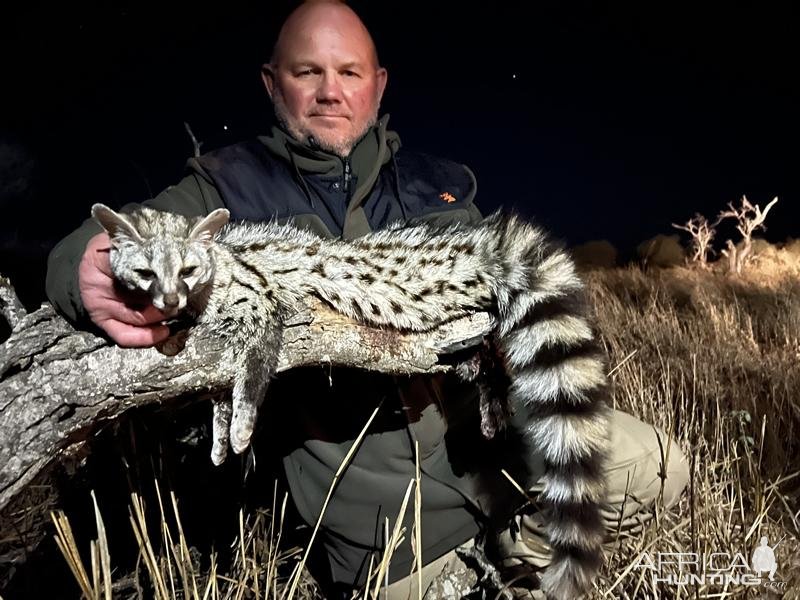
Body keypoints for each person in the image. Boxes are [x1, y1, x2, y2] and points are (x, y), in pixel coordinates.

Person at [46, 1, 690, 597]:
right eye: (308, 72)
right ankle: (487, 564)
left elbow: (505, 272)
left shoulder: (433, 183)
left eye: (348, 71)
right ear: (272, 84)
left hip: (487, 451)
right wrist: (86, 271)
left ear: (377, 84)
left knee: (662, 466)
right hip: (385, 516)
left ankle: (514, 545)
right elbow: (112, 238)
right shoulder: (222, 188)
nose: (331, 91)